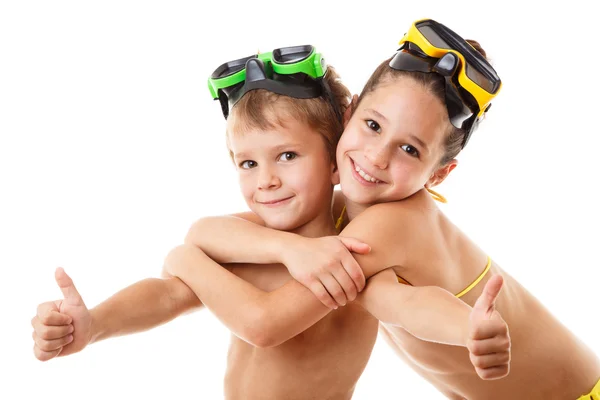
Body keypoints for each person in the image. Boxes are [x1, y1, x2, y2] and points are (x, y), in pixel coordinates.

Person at [31, 44, 509, 399]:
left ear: (335, 158)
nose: (267, 181)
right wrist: (92, 325)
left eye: (286, 155)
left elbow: (406, 304)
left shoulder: (351, 255)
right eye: (247, 164)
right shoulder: (250, 238)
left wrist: (466, 326)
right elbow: (168, 293)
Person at [174, 20, 600, 399]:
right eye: (373, 125)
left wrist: (465, 326)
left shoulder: (392, 224)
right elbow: (215, 232)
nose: (377, 157)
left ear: (439, 175)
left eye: (410, 149)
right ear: (349, 113)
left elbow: (265, 323)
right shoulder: (341, 211)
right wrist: (284, 250)